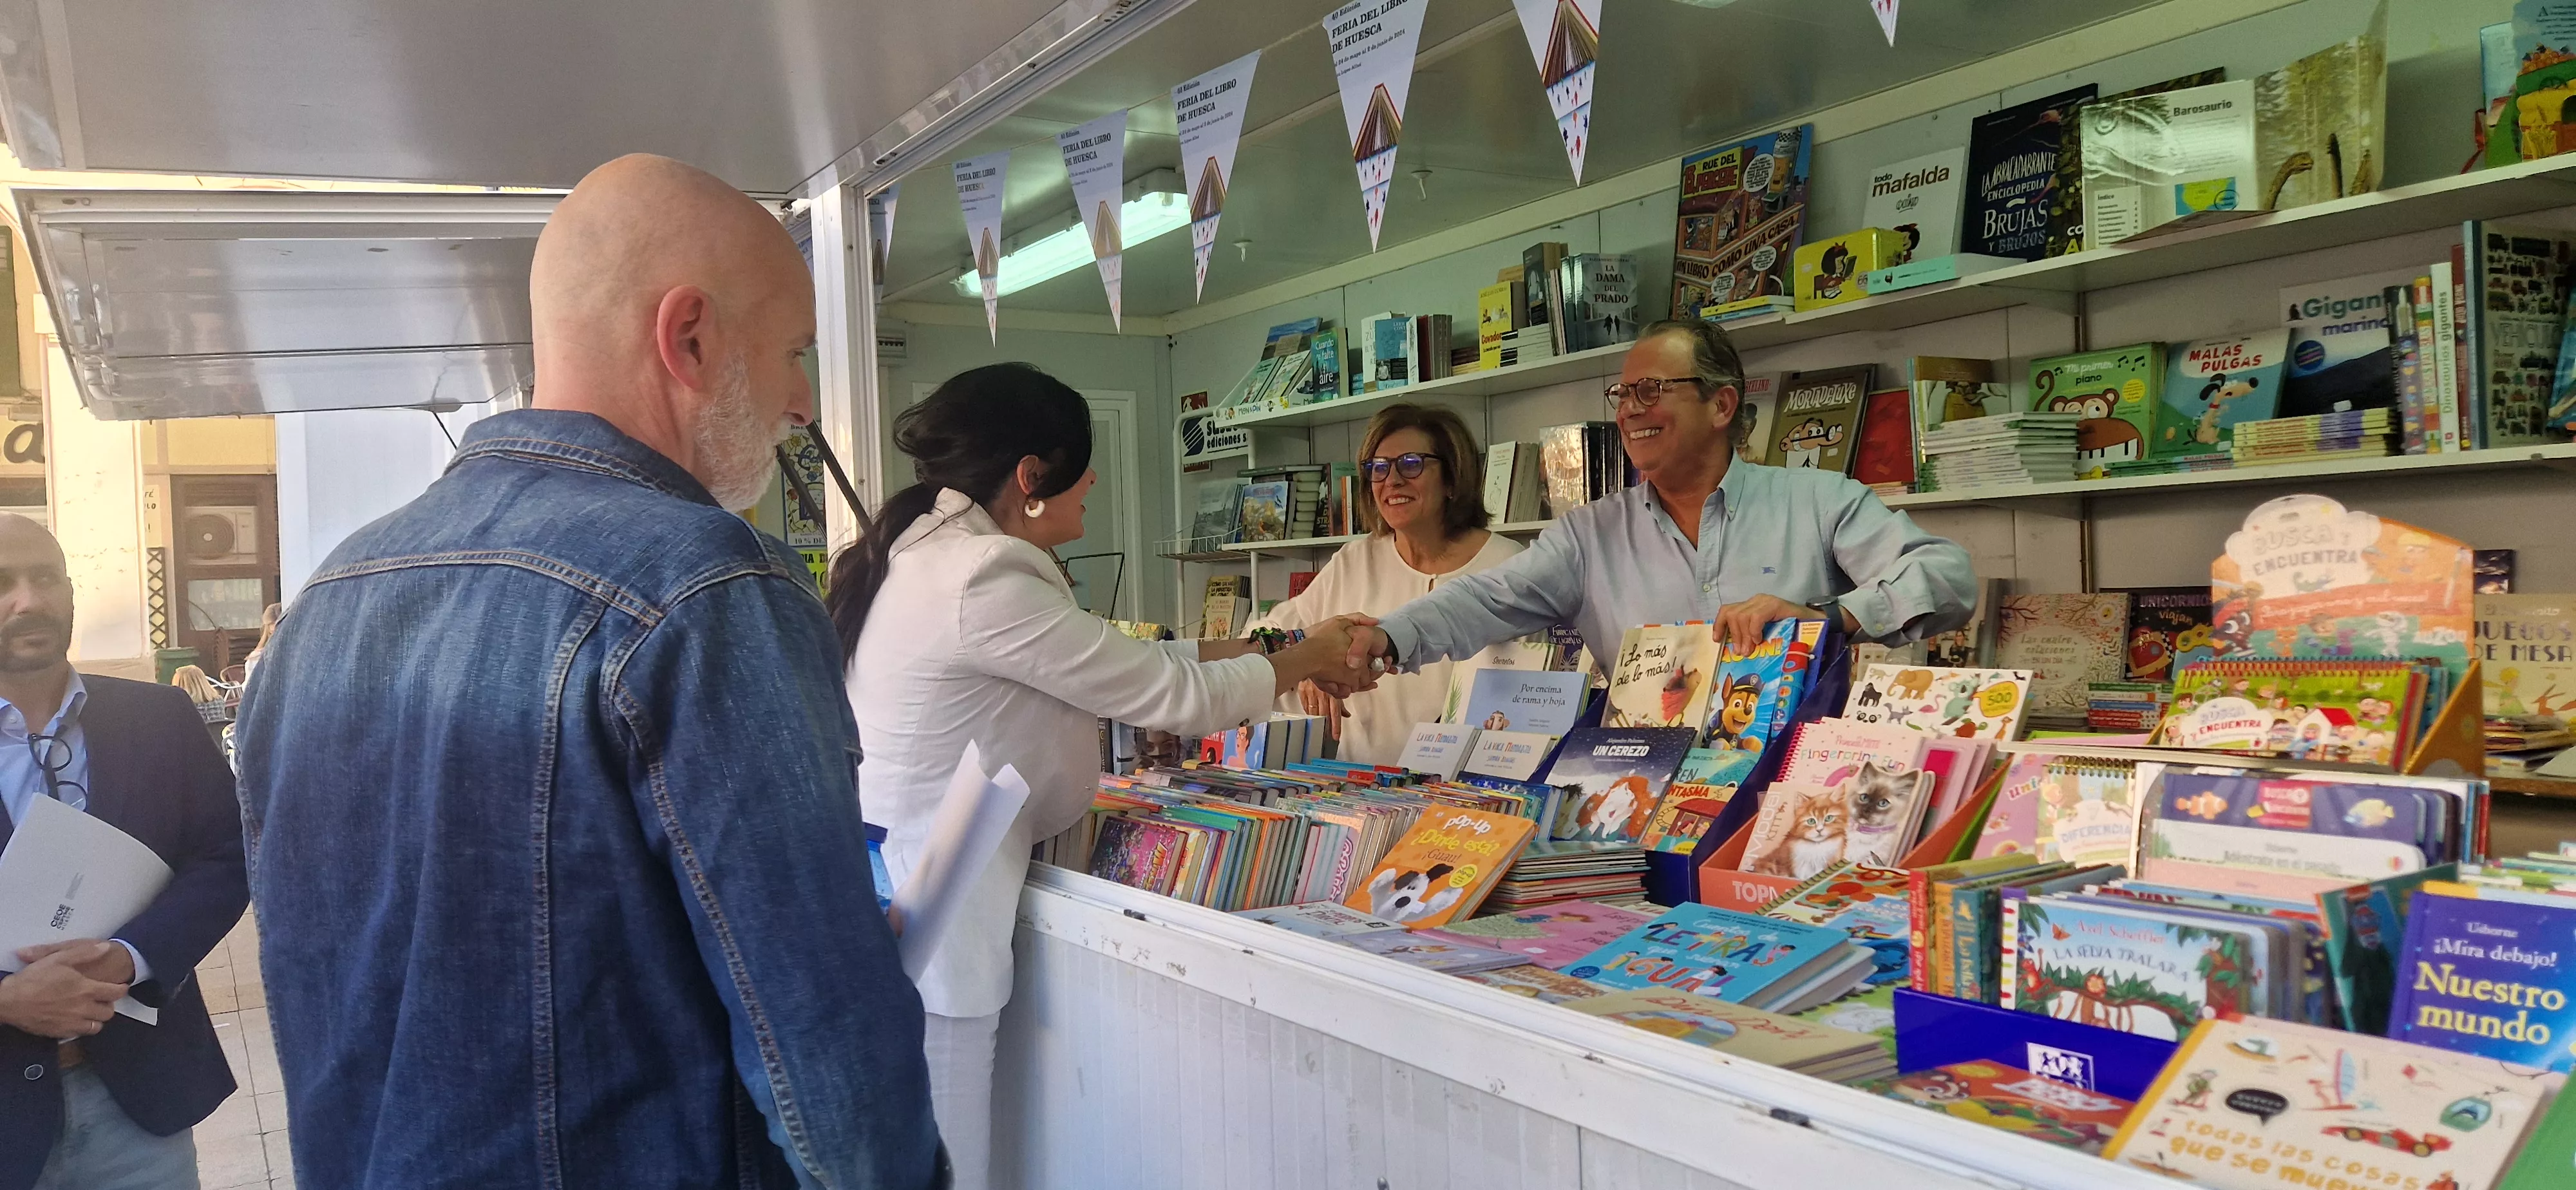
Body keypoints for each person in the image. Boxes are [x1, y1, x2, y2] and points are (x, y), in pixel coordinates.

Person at [233, 155, 943, 1190]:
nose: (802, 401)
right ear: (689, 336)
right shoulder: (707, 587)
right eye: (794, 352)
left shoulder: (327, 598)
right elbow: (828, 1051)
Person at [827, 363, 1374, 1190]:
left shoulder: (927, 553)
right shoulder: (982, 574)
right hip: (939, 938)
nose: (1091, 490)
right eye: (1084, 471)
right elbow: (1172, 695)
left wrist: (1278, 646)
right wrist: (1307, 659)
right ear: (1030, 476)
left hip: (900, 903)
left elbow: (1122, 658)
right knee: (950, 1169)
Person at [1345, 316, 1977, 675]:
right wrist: (1387, 639)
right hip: (1647, 798)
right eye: (1622, 395)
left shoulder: (1818, 501)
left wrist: (1829, 618)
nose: (1629, 410)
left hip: (1795, 793)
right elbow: (1483, 600)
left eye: (1651, 390)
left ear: (1721, 405)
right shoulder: (1588, 536)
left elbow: (1946, 575)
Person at [0, 515, 248, 1190]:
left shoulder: (157, 718)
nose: (28, 600)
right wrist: (7, 999)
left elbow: (229, 855)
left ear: (70, 589)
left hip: (137, 1109)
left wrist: (131, 956)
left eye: (45, 577)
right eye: (2, 583)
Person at [1247, 404, 1522, 764]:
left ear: (1453, 478)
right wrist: (1305, 667)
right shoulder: (1354, 560)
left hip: (1467, 786)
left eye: (1411, 464)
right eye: (1378, 468)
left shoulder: (1507, 564)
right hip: (1358, 788)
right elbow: (1261, 634)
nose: (1391, 480)